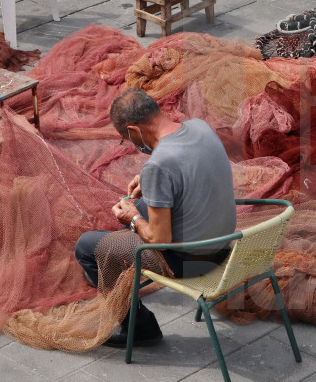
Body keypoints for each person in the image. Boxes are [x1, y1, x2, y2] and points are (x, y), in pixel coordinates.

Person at [75, 88, 237, 347]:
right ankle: (114, 269)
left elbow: (160, 238)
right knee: (137, 206)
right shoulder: (200, 127)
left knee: (87, 246)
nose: (131, 144)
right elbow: (187, 167)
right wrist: (150, 183)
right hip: (225, 244)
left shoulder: (159, 165)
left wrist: (133, 219)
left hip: (192, 262)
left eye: (125, 139)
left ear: (134, 130)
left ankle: (140, 328)